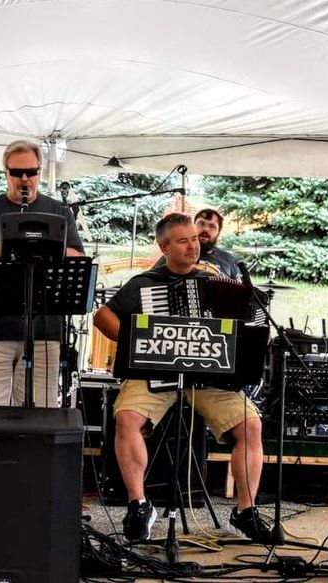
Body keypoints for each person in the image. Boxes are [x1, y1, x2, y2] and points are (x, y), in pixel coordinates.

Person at [93, 213, 271, 543]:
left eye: (194, 239)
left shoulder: (216, 281)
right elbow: (102, 316)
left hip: (208, 379)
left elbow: (247, 326)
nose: (193, 246)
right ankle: (139, 505)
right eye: (183, 241)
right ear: (164, 246)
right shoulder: (144, 284)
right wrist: (137, 343)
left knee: (251, 425)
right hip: (155, 375)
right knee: (127, 418)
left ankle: (244, 512)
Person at [0, 140, 84, 407]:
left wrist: (41, 246)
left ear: (39, 172)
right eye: (16, 173)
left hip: (44, 329)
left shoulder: (59, 212)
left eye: (31, 172)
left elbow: (78, 258)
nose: (24, 179)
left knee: (40, 413)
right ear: (5, 173)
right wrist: (2, 247)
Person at [154, 208, 242, 279]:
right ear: (193, 226)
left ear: (218, 232)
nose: (205, 229)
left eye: (212, 226)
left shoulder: (229, 260)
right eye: (201, 224)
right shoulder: (174, 256)